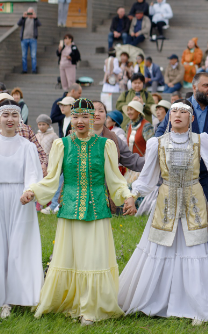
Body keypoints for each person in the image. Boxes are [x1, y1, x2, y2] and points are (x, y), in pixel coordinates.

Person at [118, 99, 208, 325]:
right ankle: (152, 301)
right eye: (173, 111)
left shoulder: (200, 140)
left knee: (194, 249)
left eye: (183, 111)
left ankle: (196, 308)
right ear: (168, 117)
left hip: (193, 200)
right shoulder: (156, 143)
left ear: (191, 118)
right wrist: (132, 195)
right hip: (166, 201)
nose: (177, 114)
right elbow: (147, 177)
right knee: (158, 246)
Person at [22, 99, 136, 326]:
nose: (80, 121)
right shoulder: (62, 145)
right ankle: (69, 300)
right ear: (70, 119)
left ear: (94, 118)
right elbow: (52, 178)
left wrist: (128, 197)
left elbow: (115, 179)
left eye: (85, 116)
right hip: (70, 208)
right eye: (76, 117)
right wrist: (33, 191)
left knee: (94, 258)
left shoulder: (105, 145)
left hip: (97, 209)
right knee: (69, 258)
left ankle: (90, 308)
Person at [156, 72, 208, 278]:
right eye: (206, 86)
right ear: (194, 87)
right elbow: (160, 133)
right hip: (180, 175)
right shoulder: (179, 108)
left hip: (207, 174)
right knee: (177, 218)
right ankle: (176, 260)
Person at [0, 100, 44, 318]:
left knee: (21, 244)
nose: (10, 119)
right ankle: (1, 299)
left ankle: (25, 295)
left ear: (20, 119)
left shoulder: (27, 146)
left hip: (21, 198)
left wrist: (29, 191)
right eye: (5, 114)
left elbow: (34, 175)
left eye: (14, 115)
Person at [18, 7, 40, 74]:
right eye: (29, 12)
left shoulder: (35, 20)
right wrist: (23, 17)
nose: (30, 14)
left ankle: (34, 70)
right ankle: (24, 69)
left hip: (33, 39)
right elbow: (18, 24)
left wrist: (35, 17)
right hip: (24, 39)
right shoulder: (24, 19)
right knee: (24, 55)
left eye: (31, 12)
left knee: (33, 55)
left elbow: (39, 24)